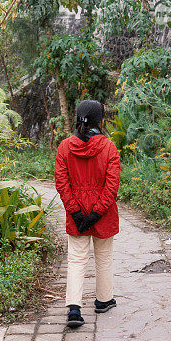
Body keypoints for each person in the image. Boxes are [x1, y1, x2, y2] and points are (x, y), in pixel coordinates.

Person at [54, 99, 121, 328]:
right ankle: (103, 301)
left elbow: (61, 183)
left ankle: (74, 309)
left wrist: (76, 213)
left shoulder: (64, 147)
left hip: (77, 213)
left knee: (76, 259)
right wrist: (96, 214)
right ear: (100, 120)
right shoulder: (109, 148)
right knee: (103, 258)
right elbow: (111, 186)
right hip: (103, 213)